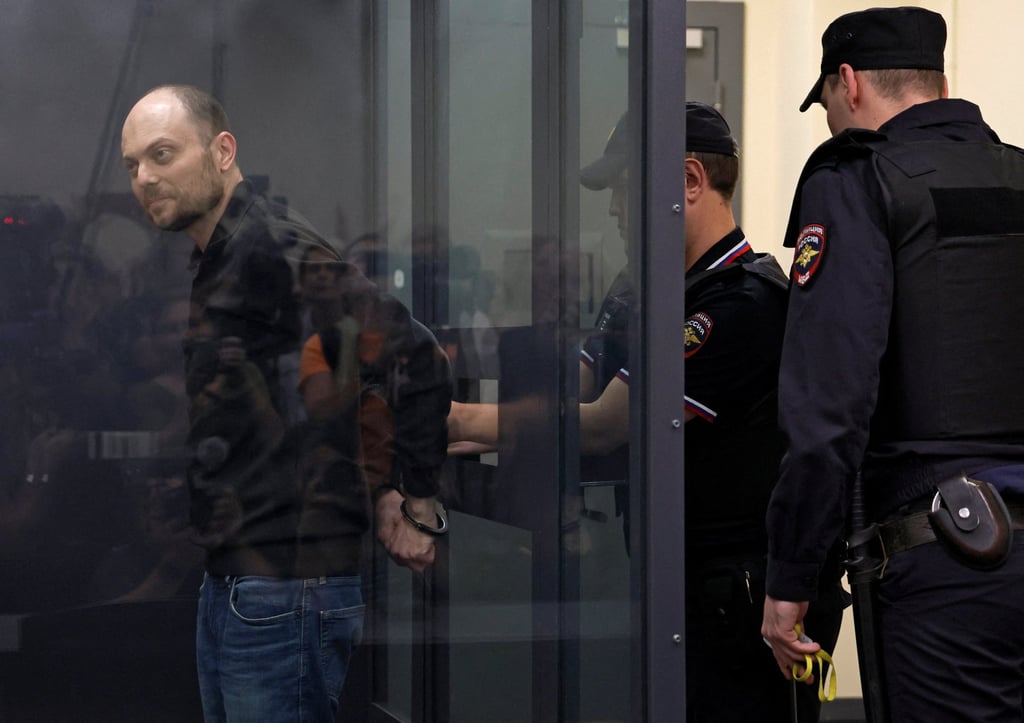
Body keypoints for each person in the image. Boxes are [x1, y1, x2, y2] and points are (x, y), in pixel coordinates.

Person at [449, 102, 845, 722]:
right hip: (674, 593)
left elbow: (608, 419)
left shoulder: (738, 308)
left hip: (738, 610)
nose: (612, 211)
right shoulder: (650, 291)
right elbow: (573, 385)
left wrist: (465, 420)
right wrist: (498, 424)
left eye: (624, 190)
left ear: (690, 182)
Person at [121, 84, 452, 722]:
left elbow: (416, 356)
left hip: (285, 587)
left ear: (222, 150)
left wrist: (417, 497)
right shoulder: (223, 254)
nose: (145, 177)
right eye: (132, 164)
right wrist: (380, 482)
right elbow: (347, 382)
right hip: (242, 580)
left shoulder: (273, 248)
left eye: (162, 154)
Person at [761, 7, 1024, 721]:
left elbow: (830, 406)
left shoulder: (857, 179)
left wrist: (791, 580)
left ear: (847, 83)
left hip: (948, 561)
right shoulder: (1016, 175)